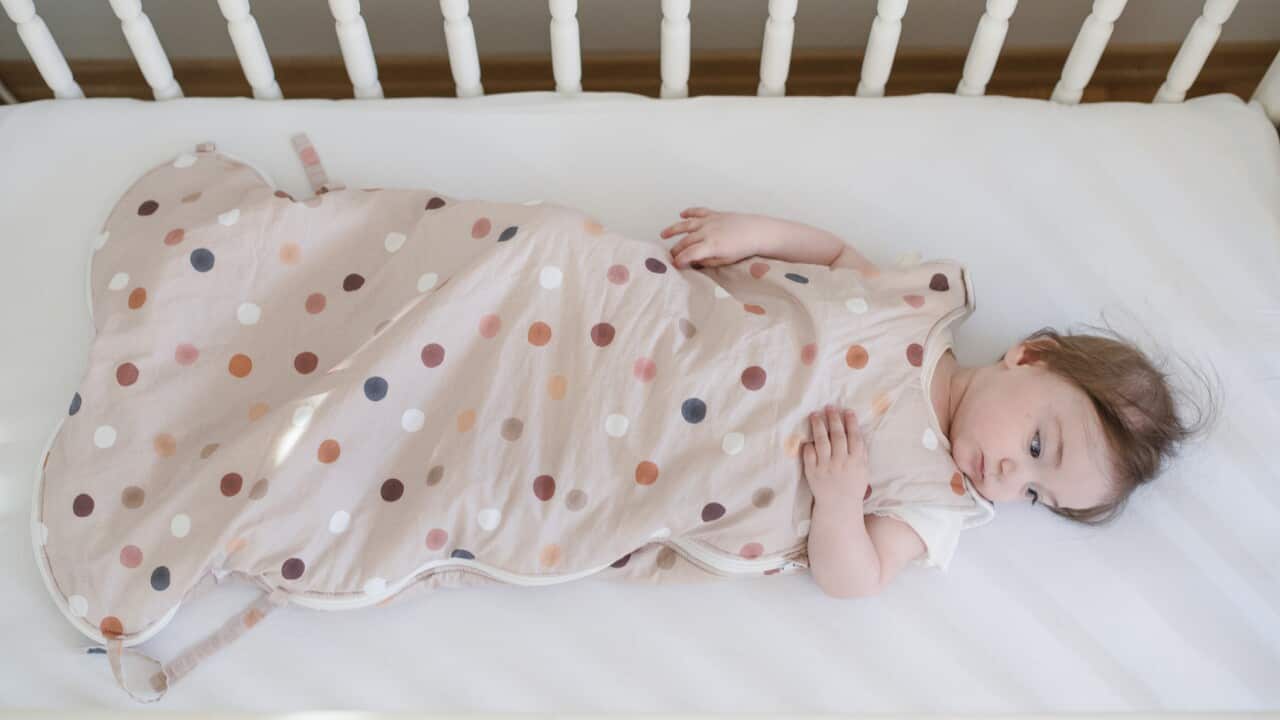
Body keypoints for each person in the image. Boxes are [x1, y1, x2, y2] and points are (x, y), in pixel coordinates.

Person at [661, 207, 1218, 599]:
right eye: (1035, 446)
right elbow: (832, 256)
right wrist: (752, 232)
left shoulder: (934, 501)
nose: (1007, 475)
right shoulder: (918, 312)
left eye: (1032, 491)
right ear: (1030, 355)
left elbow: (858, 579)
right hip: (684, 331)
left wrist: (838, 503)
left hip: (677, 457)